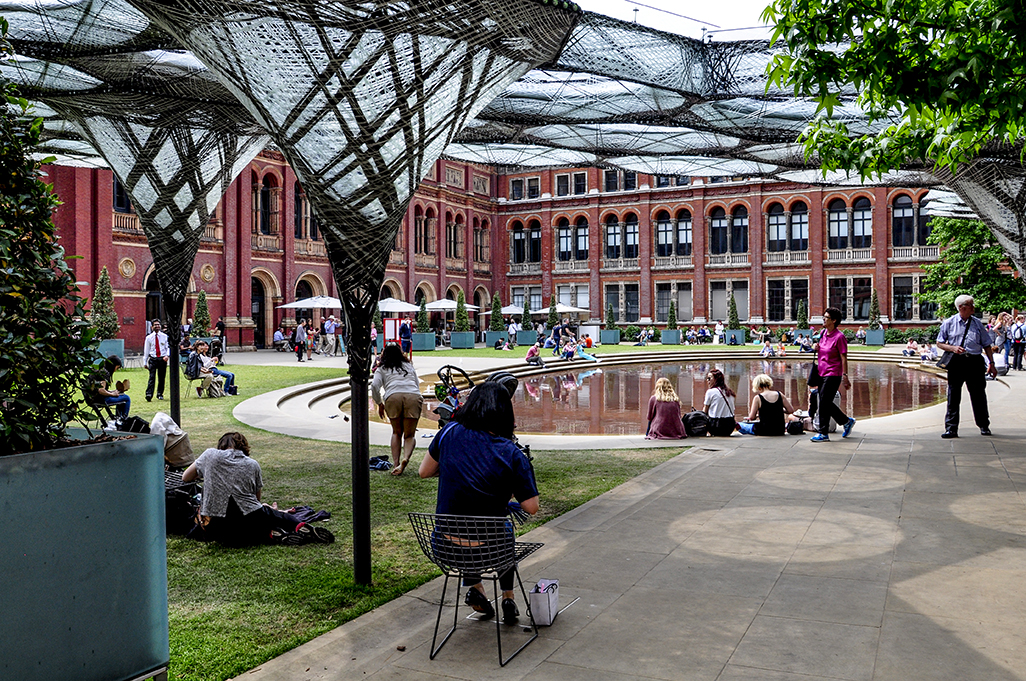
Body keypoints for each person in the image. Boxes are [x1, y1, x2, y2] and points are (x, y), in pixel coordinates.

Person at [419, 382, 539, 623]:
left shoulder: (448, 432)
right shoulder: (511, 452)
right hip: (491, 550)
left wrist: (458, 470)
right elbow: (531, 507)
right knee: (502, 529)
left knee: (464, 521)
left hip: (444, 547)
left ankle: (477, 589)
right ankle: (508, 597)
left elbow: (424, 471)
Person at [181, 432, 334, 546]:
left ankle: (273, 535)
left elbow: (185, 477)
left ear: (221, 446)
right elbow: (256, 500)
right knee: (273, 516)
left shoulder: (210, 455)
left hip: (217, 525)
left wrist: (207, 475)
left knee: (230, 535)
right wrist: (268, 509)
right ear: (243, 447)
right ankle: (297, 526)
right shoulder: (253, 464)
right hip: (249, 516)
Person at [936, 294, 997, 437]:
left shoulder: (977, 324)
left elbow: (987, 345)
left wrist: (991, 364)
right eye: (971, 305)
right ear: (961, 308)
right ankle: (951, 428)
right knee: (953, 395)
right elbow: (939, 342)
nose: (974, 307)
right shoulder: (949, 323)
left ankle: (983, 425)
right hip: (957, 362)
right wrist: (953, 348)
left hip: (974, 362)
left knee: (978, 395)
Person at [371, 343, 423, 475]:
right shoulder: (408, 366)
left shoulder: (381, 368)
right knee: (409, 435)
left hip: (393, 396)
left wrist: (379, 403)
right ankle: (405, 459)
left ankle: (395, 463)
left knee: (396, 432)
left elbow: (374, 386)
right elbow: (416, 384)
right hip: (413, 395)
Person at [811, 307, 856, 442]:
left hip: (833, 373)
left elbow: (844, 358)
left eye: (826, 317)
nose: (823, 319)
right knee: (824, 401)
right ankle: (846, 421)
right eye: (823, 317)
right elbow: (820, 348)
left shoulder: (839, 337)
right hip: (821, 372)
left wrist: (845, 375)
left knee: (824, 402)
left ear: (834, 320)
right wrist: (815, 347)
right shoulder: (824, 333)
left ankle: (823, 433)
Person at [86, 355, 130, 420]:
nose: (116, 370)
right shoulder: (104, 373)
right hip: (100, 400)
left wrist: (112, 392)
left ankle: (119, 418)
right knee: (126, 398)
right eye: (117, 368)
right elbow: (101, 390)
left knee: (121, 396)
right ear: (113, 366)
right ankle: (123, 419)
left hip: (91, 399)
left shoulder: (99, 370)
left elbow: (98, 389)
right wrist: (113, 394)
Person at [703, 368, 737, 436]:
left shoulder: (710, 392)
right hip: (729, 426)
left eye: (709, 378)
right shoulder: (730, 392)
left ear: (716, 379)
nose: (707, 380)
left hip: (716, 426)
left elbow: (704, 411)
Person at [143, 319, 169, 402]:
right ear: (152, 327)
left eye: (158, 324)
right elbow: (146, 350)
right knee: (152, 377)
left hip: (162, 359)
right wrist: (145, 362)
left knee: (161, 378)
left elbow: (167, 347)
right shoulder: (149, 338)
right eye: (155, 325)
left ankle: (160, 394)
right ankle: (149, 394)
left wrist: (167, 355)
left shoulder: (164, 336)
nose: (157, 326)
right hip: (153, 359)